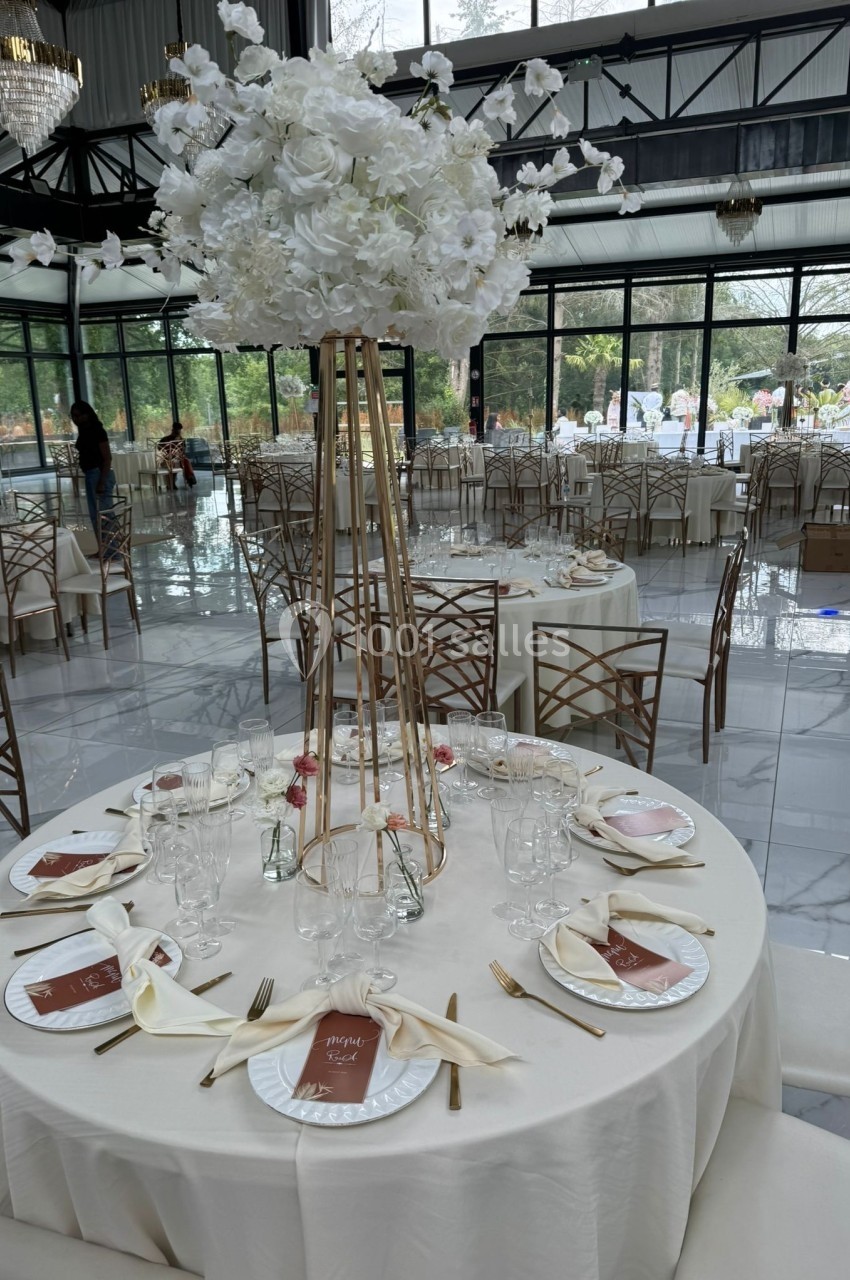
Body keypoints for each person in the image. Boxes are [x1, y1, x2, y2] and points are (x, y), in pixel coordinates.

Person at [71, 401, 116, 545]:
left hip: (99, 474)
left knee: (103, 515)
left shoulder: (97, 430)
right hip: (92, 474)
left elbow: (107, 458)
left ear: (87, 414)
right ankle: (105, 549)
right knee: (97, 515)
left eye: (78, 415)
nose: (76, 419)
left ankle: (112, 550)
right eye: (73, 416)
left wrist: (101, 482)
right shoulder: (85, 430)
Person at [158, 421, 196, 487]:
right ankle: (188, 478)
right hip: (166, 460)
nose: (178, 433)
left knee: (185, 461)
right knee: (175, 462)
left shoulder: (181, 440)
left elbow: (183, 451)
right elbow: (159, 449)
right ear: (173, 430)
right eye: (177, 431)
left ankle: (189, 478)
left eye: (179, 431)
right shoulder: (165, 439)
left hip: (178, 459)